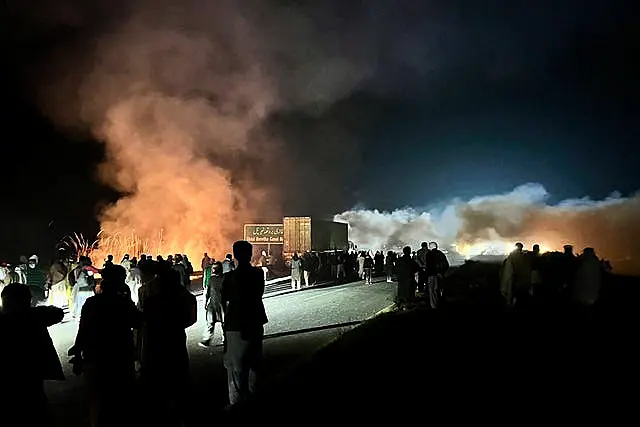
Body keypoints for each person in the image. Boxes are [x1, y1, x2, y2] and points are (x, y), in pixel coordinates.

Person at [69, 265, 141, 427]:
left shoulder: (91, 303)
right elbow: (137, 321)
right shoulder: (123, 303)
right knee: (121, 397)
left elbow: (83, 329)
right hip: (120, 355)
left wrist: (78, 351)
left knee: (97, 399)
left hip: (95, 356)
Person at [0, 283, 65, 426]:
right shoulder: (33, 316)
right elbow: (57, 313)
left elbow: (57, 313)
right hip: (32, 370)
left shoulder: (17, 317)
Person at [222, 240, 268, 406]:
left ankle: (237, 405)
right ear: (250, 254)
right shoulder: (258, 274)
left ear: (235, 255)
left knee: (236, 368)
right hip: (255, 320)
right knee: (254, 363)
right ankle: (254, 402)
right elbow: (259, 293)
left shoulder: (229, 277)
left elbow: (224, 298)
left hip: (235, 324)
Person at [200, 261, 225, 347]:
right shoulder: (211, 279)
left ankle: (226, 339)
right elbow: (208, 292)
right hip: (213, 304)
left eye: (214, 268)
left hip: (222, 304)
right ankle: (207, 340)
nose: (213, 270)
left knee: (224, 323)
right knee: (210, 322)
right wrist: (206, 302)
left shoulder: (225, 279)